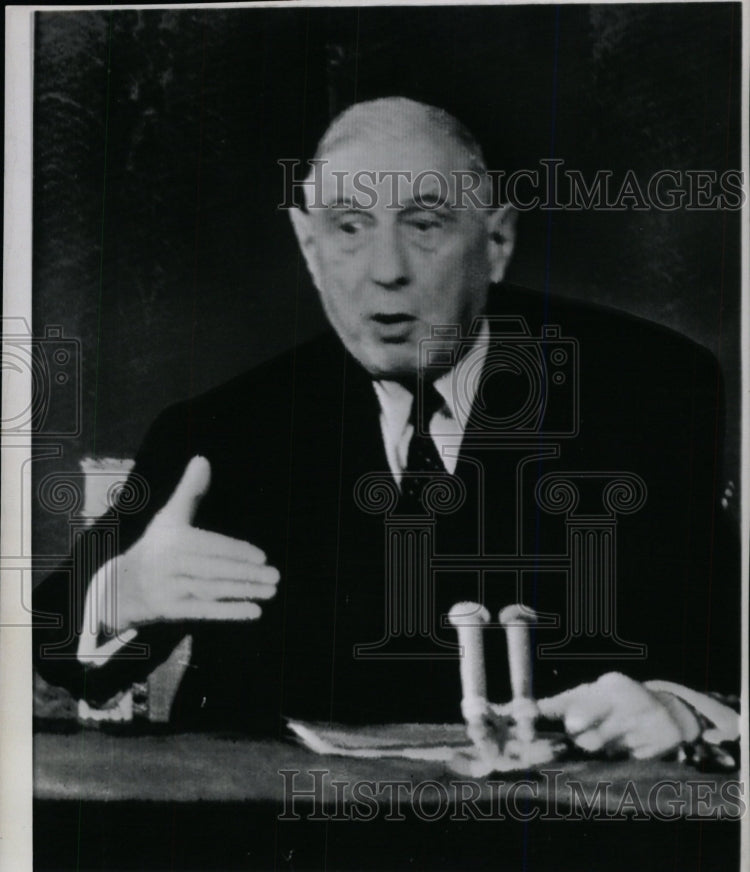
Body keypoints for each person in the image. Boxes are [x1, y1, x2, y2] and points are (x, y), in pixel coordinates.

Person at [34, 98, 739, 761]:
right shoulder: (225, 428)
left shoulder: (650, 389)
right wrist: (119, 595)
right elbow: (49, 638)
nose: (386, 272)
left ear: (496, 240)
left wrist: (685, 709)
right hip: (288, 841)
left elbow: (725, 649)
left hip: (557, 833)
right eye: (347, 228)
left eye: (425, 225)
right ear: (308, 247)